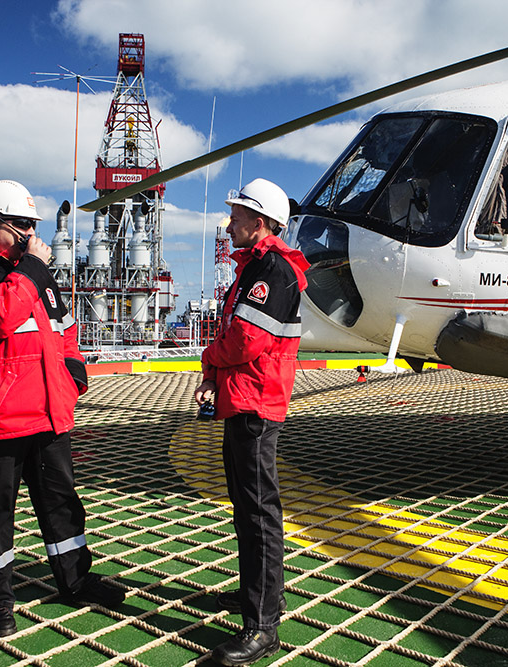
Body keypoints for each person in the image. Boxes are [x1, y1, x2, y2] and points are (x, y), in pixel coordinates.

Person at [0, 179, 124, 637]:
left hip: (48, 409)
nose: (29, 232)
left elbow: (64, 328)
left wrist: (73, 374)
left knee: (62, 505)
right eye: (21, 224)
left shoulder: (32, 271)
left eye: (32, 225)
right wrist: (32, 267)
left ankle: (76, 581)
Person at [194, 178, 310, 666]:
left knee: (259, 512)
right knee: (248, 507)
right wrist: (217, 374)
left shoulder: (272, 270)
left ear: (259, 222)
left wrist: (207, 359)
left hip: (257, 404)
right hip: (243, 398)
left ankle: (262, 627)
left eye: (238, 215)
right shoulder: (257, 267)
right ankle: (259, 598)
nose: (230, 222)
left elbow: (245, 341)